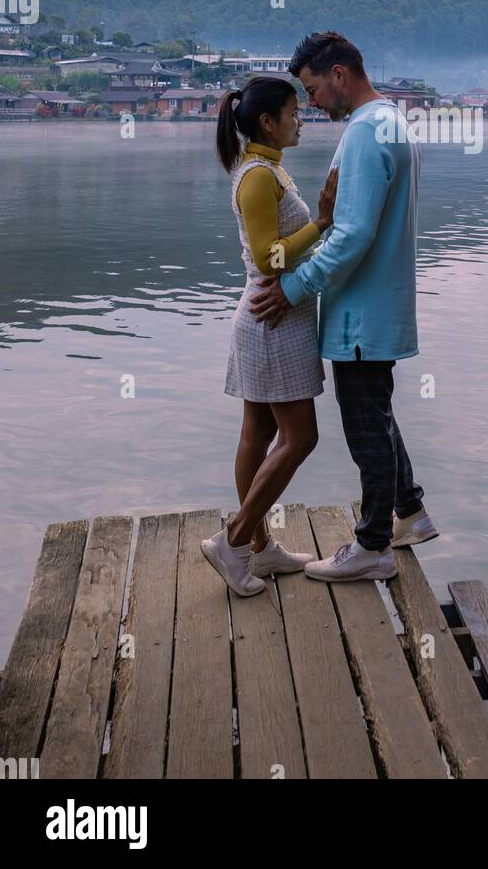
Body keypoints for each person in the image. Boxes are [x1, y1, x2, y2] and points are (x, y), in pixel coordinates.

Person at [250, 32, 438, 582]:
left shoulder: (365, 133)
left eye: (312, 89)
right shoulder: (388, 121)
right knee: (375, 417)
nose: (309, 102)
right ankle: (410, 513)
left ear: (338, 74)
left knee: (364, 427)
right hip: (377, 306)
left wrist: (292, 287)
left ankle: (373, 546)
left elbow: (352, 234)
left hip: (362, 311)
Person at [201, 76, 338, 597]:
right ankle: (233, 541)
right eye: (293, 112)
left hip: (271, 316)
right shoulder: (258, 176)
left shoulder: (267, 169)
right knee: (301, 437)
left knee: (257, 433)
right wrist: (322, 223)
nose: (300, 120)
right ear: (267, 122)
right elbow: (269, 258)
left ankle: (259, 550)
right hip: (272, 320)